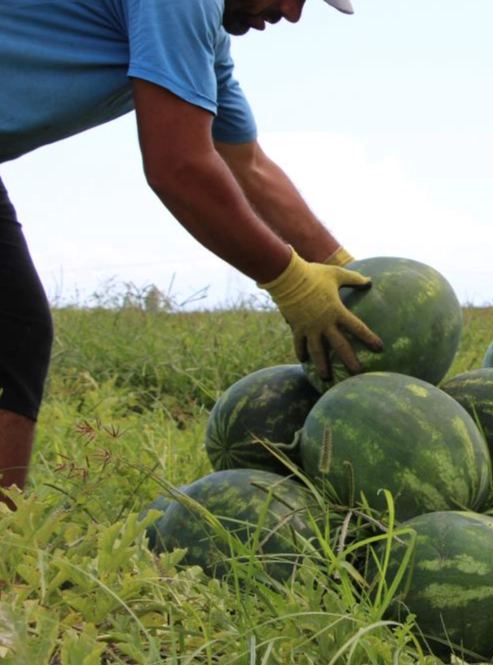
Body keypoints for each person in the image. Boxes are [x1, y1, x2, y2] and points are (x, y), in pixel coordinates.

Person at [0, 0, 383, 510]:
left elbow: (250, 167)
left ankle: (9, 547)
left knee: (14, 333)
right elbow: (179, 167)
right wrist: (290, 281)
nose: (292, 14)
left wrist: (353, 276)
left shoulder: (204, 38)